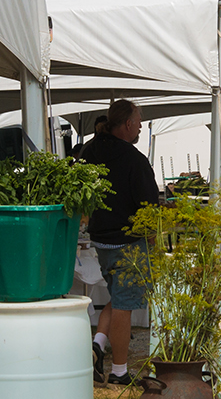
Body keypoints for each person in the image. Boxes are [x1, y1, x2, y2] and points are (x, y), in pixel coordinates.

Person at [82, 100, 160, 386]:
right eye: (139, 121)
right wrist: (153, 239)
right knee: (125, 306)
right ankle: (119, 372)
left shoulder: (90, 151)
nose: (140, 126)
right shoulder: (133, 159)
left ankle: (98, 345)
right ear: (127, 124)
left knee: (118, 297)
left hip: (101, 240)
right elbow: (148, 207)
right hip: (127, 242)